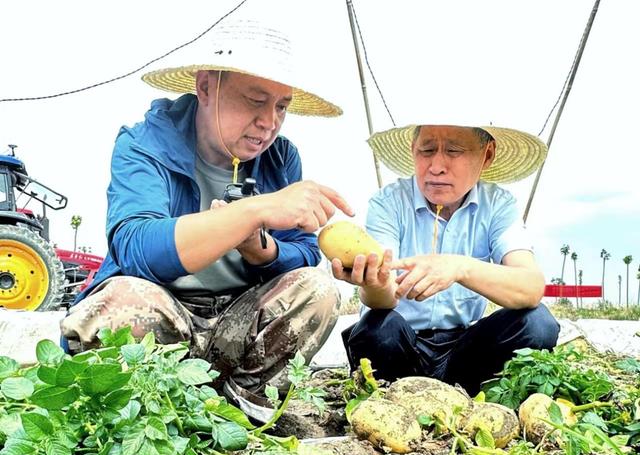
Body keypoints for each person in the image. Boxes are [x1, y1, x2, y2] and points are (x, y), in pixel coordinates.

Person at [61, 19, 352, 420]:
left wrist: (261, 249)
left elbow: (301, 253)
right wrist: (253, 210)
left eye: (281, 106)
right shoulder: (145, 144)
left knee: (318, 289)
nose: (270, 121)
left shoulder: (281, 158)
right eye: (255, 100)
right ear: (205, 88)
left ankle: (243, 410)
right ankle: (149, 412)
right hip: (167, 320)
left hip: (237, 324)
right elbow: (137, 248)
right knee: (119, 303)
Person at [333, 122, 560, 395]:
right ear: (412, 151)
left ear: (486, 155)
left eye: (454, 151)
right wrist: (374, 284)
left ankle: (464, 396)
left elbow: (530, 286)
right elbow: (381, 298)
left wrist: (459, 267)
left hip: (464, 355)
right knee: (378, 327)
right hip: (398, 347)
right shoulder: (388, 203)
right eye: (426, 150)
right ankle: (393, 400)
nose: (436, 166)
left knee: (537, 324)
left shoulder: (498, 205)